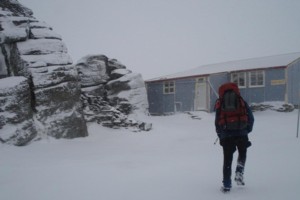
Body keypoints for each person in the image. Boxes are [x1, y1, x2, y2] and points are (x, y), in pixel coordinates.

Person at [214, 82, 254, 193]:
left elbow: (217, 121)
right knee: (242, 154)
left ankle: (227, 185)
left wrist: (220, 135)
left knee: (227, 160)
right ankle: (239, 173)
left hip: (227, 135)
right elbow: (251, 117)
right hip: (242, 133)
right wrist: (246, 130)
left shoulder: (220, 103)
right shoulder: (241, 101)